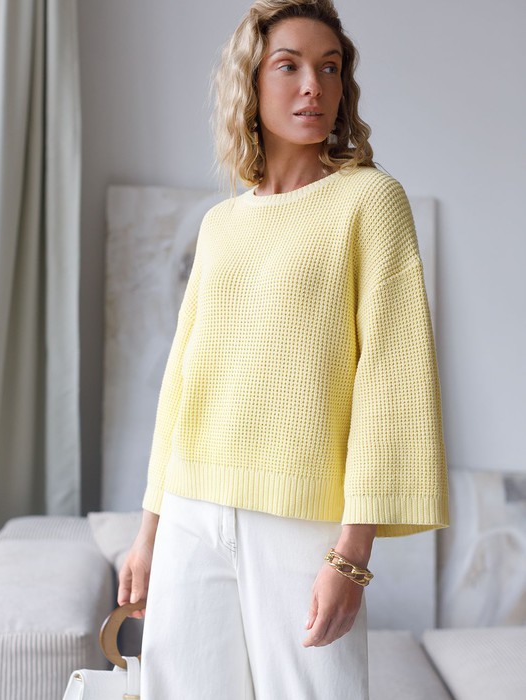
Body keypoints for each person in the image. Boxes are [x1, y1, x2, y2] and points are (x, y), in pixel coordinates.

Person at [117, 1, 450, 698]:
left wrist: (352, 554)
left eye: (329, 69)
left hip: (302, 521)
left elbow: (391, 382)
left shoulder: (371, 201)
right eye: (289, 66)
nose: (313, 87)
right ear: (250, 80)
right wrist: (148, 534)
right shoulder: (220, 224)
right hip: (190, 509)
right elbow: (181, 381)